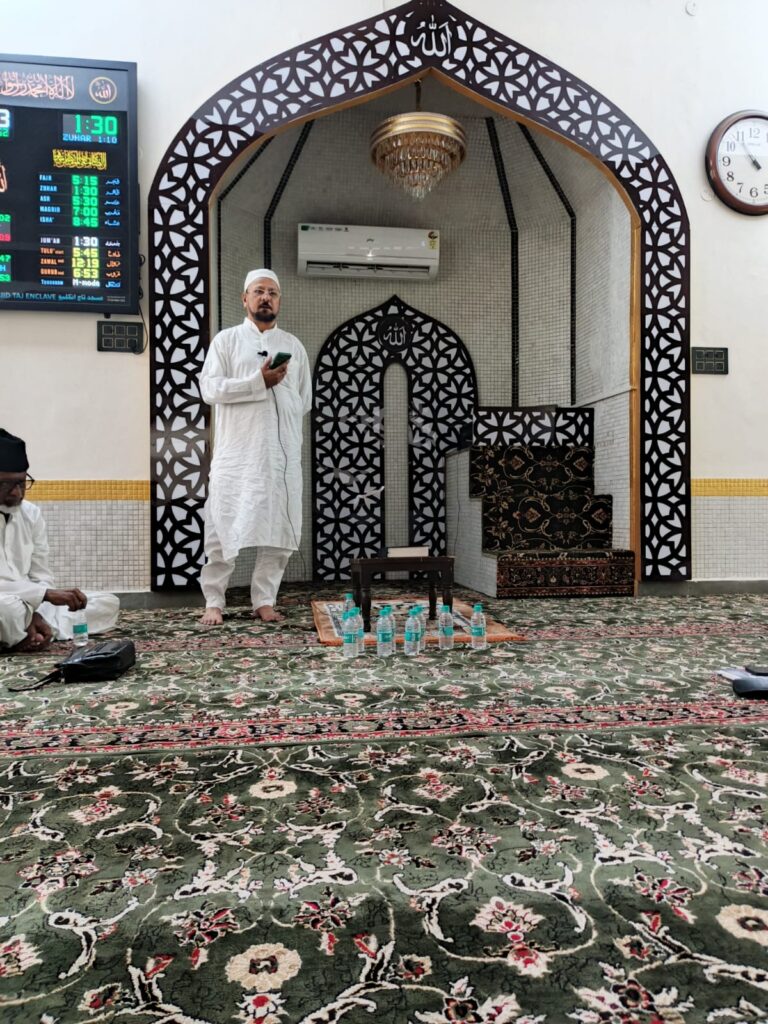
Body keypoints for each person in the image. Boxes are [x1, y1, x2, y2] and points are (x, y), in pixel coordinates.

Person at [198, 269, 312, 625]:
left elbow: (304, 400)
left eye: (272, 293)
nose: (266, 298)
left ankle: (264, 600)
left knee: (280, 532)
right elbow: (210, 389)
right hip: (238, 456)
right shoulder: (226, 341)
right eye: (259, 291)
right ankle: (214, 601)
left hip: (280, 458)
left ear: (279, 301)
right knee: (222, 528)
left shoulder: (293, 345)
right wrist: (257, 382)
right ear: (245, 298)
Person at [0, 429, 120, 652]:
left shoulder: (31, 513)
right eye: (6, 484)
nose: (17, 493)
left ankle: (28, 631)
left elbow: (41, 574)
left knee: (106, 602)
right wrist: (43, 596)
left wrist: (37, 608)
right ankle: (28, 630)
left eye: (22, 483)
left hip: (29, 605)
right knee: (4, 610)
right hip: (8, 604)